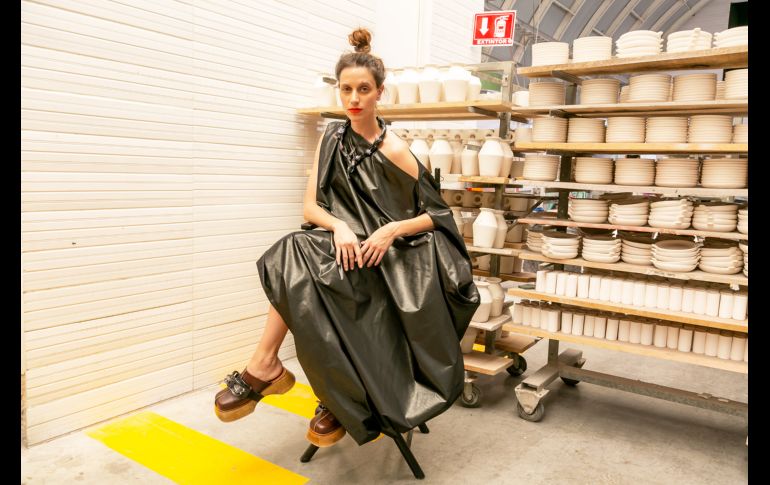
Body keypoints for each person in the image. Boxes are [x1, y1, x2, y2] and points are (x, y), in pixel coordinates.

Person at [214, 28, 480, 449]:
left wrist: (390, 230)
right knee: (293, 253)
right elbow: (310, 208)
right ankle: (276, 369)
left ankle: (327, 392)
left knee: (310, 265)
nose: (354, 99)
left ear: (380, 93)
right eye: (346, 89)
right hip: (346, 245)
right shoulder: (332, 137)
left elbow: (438, 215)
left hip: (392, 256)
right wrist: (338, 226)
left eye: (363, 89)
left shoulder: (396, 150)